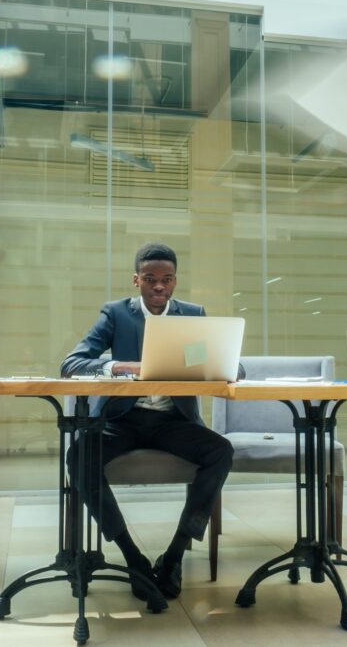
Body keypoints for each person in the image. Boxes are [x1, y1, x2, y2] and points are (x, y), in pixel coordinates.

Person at [61, 242, 236, 600]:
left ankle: (174, 555)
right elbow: (72, 363)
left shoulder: (192, 315)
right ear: (136, 279)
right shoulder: (116, 314)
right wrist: (121, 366)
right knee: (78, 456)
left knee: (221, 451)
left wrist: (215, 364)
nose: (159, 286)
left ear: (175, 281)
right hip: (121, 419)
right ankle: (132, 556)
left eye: (167, 279)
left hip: (173, 420)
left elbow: (232, 366)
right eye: (150, 278)